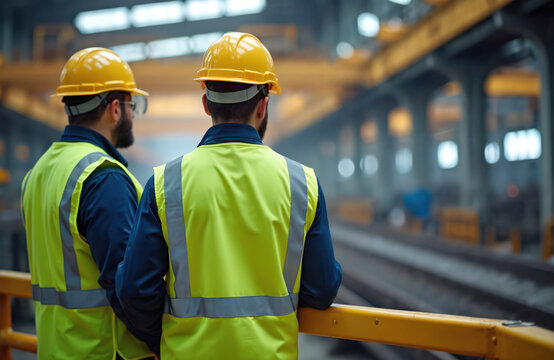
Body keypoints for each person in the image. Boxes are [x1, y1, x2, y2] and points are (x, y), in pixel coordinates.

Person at [116, 32, 342, 359]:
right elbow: (321, 291)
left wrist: (168, 338)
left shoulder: (165, 183)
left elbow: (135, 291)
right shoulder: (302, 183)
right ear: (263, 105)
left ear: (206, 103)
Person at [21, 47, 154, 359]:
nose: (133, 114)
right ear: (115, 108)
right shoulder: (103, 177)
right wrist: (160, 340)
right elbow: (125, 287)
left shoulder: (38, 172)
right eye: (132, 105)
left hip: (56, 349)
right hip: (105, 351)